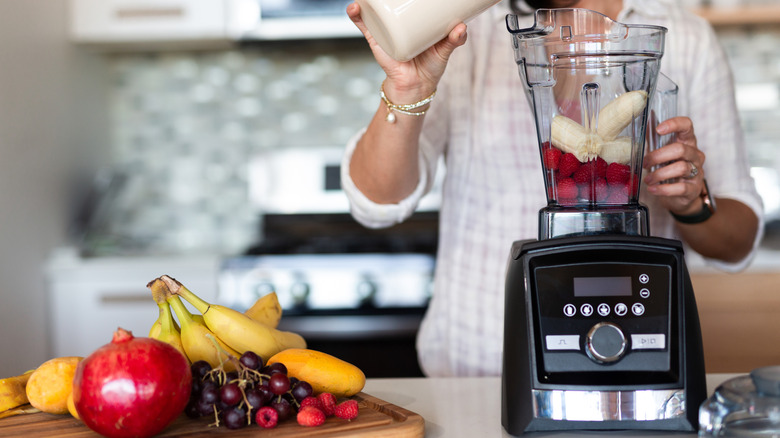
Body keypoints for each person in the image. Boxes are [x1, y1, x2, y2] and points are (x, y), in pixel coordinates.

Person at [341, 0, 764, 377]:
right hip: (474, 378)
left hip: (639, 368)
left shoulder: (686, 37)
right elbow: (377, 203)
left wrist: (692, 201)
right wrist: (408, 89)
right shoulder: (466, 31)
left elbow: (738, 241)